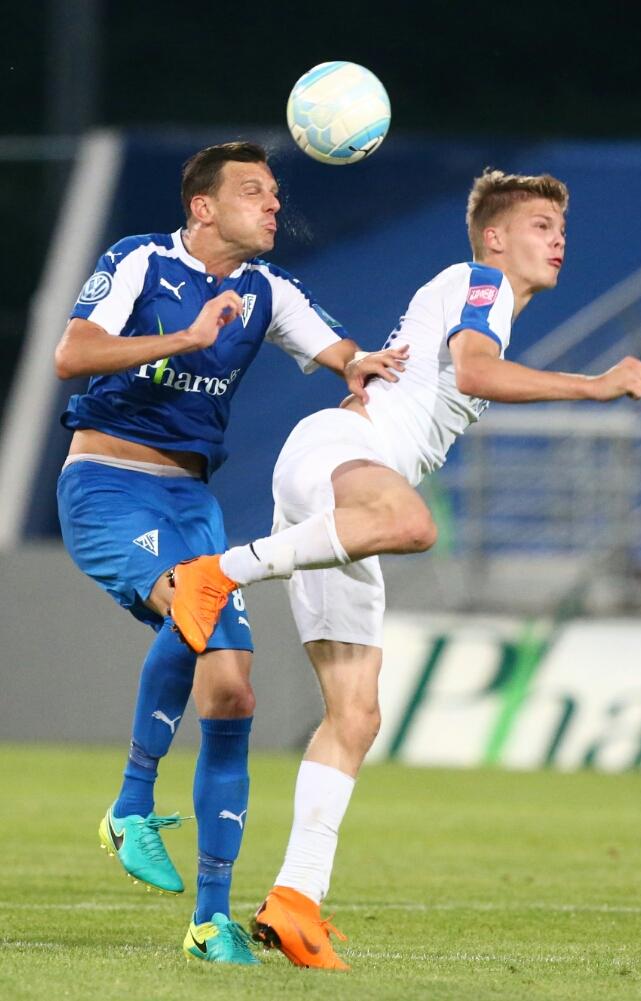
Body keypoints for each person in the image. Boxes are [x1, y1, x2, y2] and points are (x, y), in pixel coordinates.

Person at [169, 168, 641, 970]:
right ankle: (219, 570)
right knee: (411, 522)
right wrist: (592, 386)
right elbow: (475, 372)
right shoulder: (479, 282)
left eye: (560, 228)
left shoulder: (486, 302)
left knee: (356, 713)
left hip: (338, 498)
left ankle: (295, 898)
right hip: (342, 454)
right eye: (540, 225)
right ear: (494, 236)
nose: (557, 240)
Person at [54, 140, 406, 966]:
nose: (273, 204)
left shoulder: (266, 289)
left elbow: (340, 354)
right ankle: (131, 803)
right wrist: (182, 338)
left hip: (191, 501)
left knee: (234, 689)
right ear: (203, 207)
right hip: (108, 484)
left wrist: (366, 367)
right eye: (254, 191)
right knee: (193, 598)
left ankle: (210, 921)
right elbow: (72, 353)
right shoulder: (141, 260)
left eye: (275, 192)